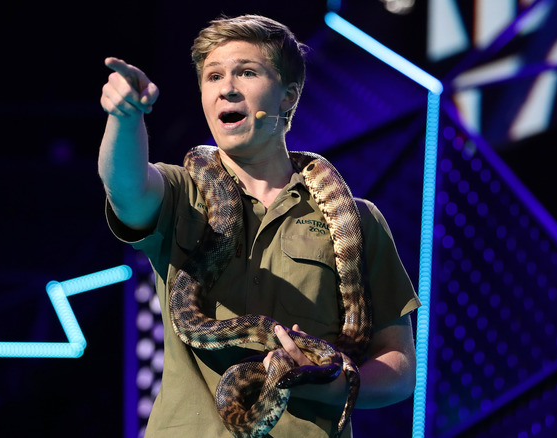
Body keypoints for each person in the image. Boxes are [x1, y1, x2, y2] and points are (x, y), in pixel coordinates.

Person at [98, 14, 420, 438]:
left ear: (289, 97)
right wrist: (125, 117)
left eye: (246, 72)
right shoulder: (182, 193)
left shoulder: (357, 218)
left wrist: (322, 383)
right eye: (213, 76)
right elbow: (124, 184)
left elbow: (398, 369)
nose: (226, 87)